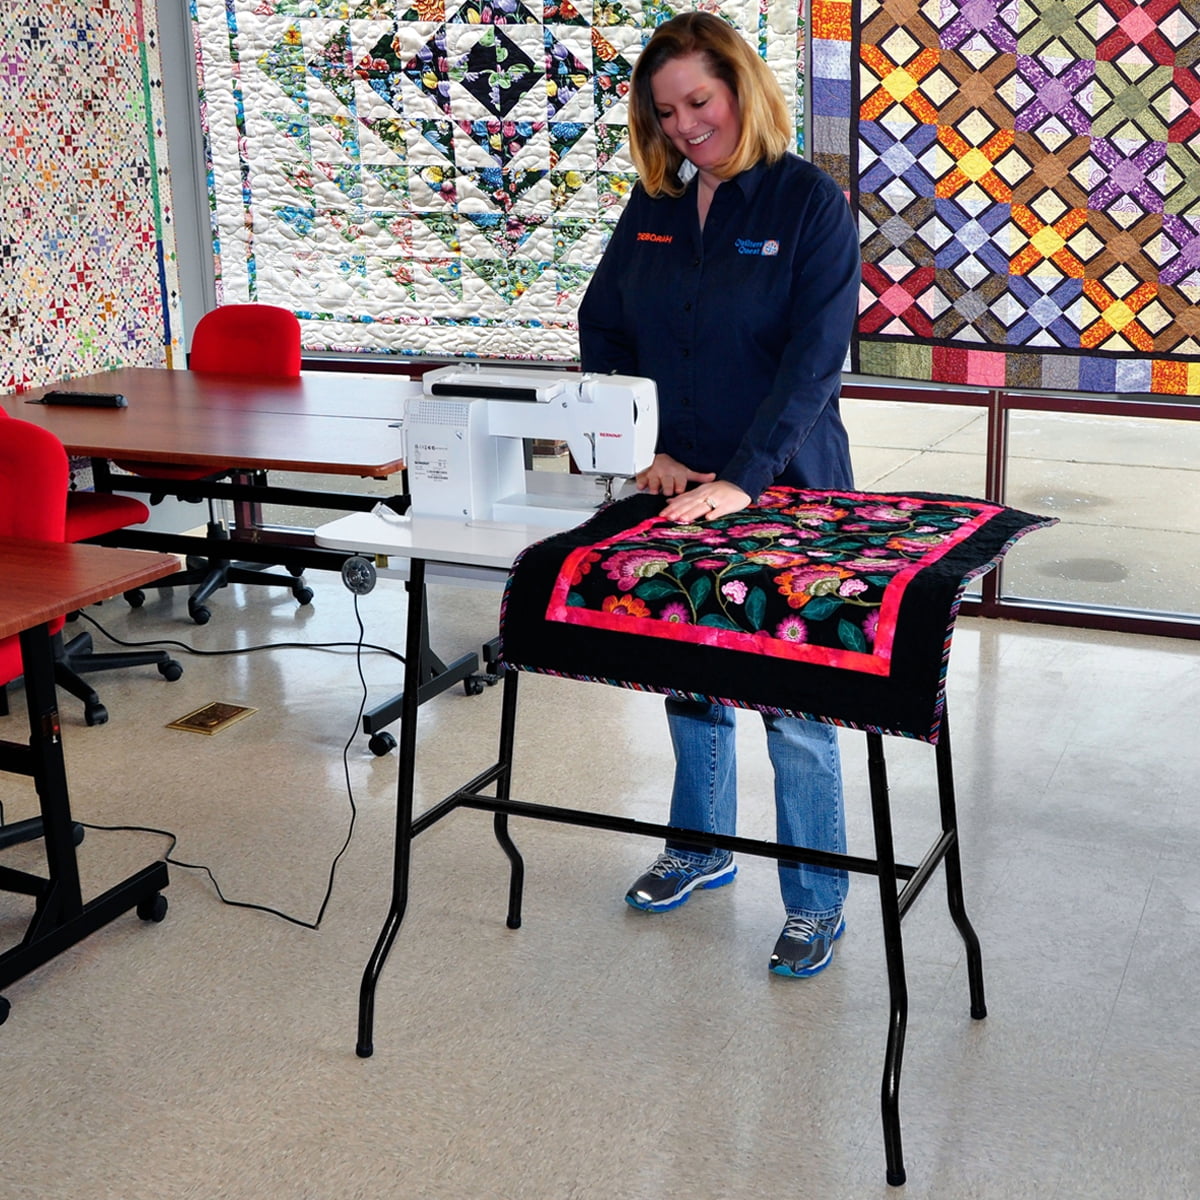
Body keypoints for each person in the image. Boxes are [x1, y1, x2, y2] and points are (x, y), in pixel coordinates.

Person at [577, 11, 861, 978]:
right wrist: (644, 447)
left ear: (742, 88)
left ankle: (817, 899)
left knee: (794, 701)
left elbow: (814, 364)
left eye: (699, 101)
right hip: (678, 483)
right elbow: (604, 325)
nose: (686, 125)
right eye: (665, 113)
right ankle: (699, 849)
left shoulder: (807, 203)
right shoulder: (654, 202)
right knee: (689, 672)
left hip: (789, 487)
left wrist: (746, 479)